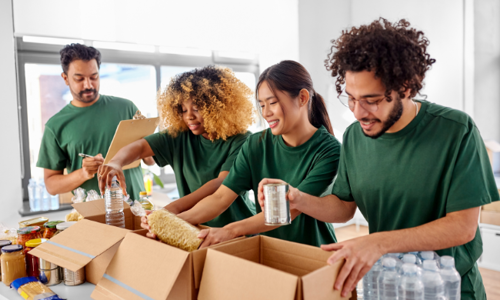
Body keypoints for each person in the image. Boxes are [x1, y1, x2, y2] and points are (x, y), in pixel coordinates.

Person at [259, 19, 497, 300]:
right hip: (386, 284)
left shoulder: (456, 130)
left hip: (447, 288)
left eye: (371, 100)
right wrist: (298, 198)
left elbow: (463, 227)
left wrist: (377, 243)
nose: (358, 112)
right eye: (350, 98)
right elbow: (344, 207)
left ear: (406, 87)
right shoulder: (355, 138)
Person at [174, 60, 341, 248]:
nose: (266, 112)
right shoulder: (256, 143)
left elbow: (288, 209)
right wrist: (174, 220)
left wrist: (230, 230)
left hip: (313, 252)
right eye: (261, 105)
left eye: (272, 103)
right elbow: (220, 198)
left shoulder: (329, 150)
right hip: (269, 250)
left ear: (302, 98)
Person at [98, 66, 256, 228]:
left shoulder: (241, 140)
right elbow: (139, 147)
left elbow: (221, 183)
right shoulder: (180, 135)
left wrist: (170, 211)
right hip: (194, 226)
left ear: (218, 108)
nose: (189, 116)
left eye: (196, 108)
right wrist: (116, 162)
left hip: (236, 227)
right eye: (183, 109)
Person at [37, 44, 154, 201]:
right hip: (92, 218)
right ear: (65, 78)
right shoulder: (55, 126)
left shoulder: (127, 108)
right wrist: (83, 173)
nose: (88, 85)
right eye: (79, 79)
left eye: (94, 77)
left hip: (137, 212)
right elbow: (51, 185)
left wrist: (144, 145)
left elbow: (151, 160)